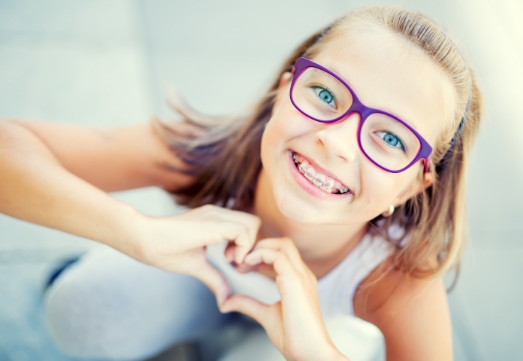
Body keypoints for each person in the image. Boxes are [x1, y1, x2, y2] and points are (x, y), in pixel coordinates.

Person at [0, 6, 482, 361]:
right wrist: (133, 231)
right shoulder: (208, 153)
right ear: (282, 91)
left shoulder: (396, 280)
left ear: (410, 188)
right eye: (323, 93)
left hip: (307, 341)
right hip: (195, 285)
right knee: (81, 310)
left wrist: (314, 352)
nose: (337, 142)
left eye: (391, 139)